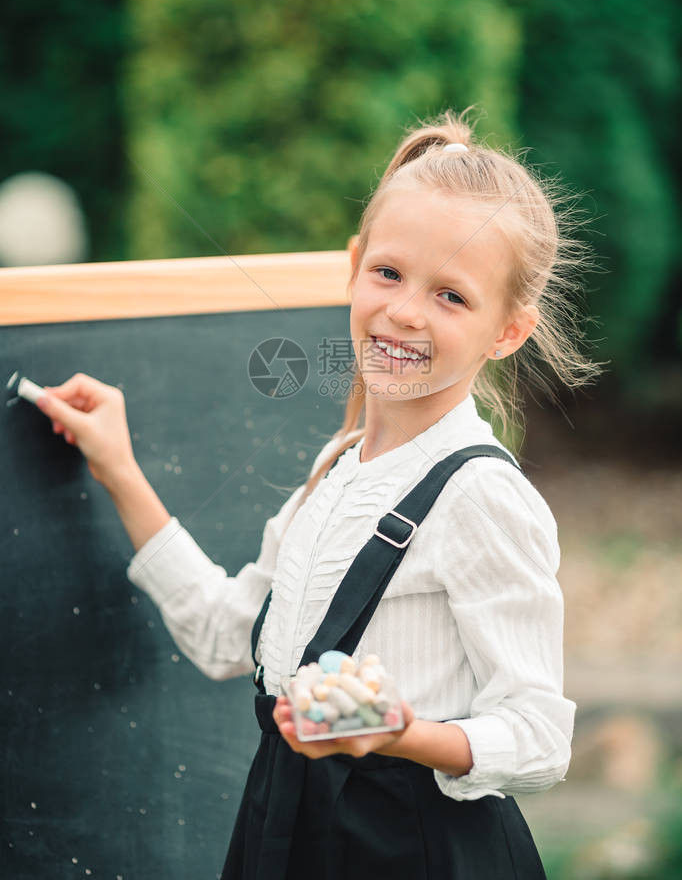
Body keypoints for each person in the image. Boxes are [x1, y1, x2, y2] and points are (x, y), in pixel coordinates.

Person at [36, 108, 606, 879]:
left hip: (414, 853)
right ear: (354, 266)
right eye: (389, 272)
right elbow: (220, 632)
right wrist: (118, 468)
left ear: (507, 331)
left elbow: (540, 735)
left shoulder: (481, 497)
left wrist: (398, 730)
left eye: (452, 296)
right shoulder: (336, 467)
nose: (405, 310)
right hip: (286, 833)